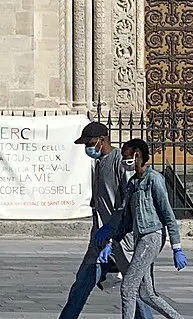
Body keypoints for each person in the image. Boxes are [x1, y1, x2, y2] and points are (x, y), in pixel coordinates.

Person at [98, 139, 189, 319]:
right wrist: (110, 241)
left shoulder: (154, 179)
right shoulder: (132, 183)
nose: (124, 161)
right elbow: (124, 219)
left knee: (128, 287)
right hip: (140, 238)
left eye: (126, 157)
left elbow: (167, 215)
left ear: (137, 155)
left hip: (152, 237)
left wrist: (177, 248)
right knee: (147, 293)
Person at [55, 124, 123, 319]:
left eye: (90, 143)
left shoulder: (119, 162)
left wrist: (112, 236)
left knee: (135, 291)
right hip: (99, 239)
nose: (88, 148)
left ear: (102, 140)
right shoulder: (99, 164)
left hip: (120, 240)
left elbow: (125, 203)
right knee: (81, 284)